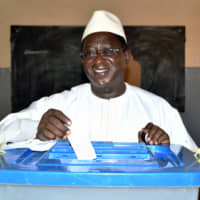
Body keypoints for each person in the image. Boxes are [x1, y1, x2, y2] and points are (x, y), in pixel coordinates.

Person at [0, 10, 198, 152]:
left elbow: (192, 160)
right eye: (90, 53)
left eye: (108, 51)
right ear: (82, 61)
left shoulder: (158, 108)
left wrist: (165, 150)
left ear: (127, 57)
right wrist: (36, 129)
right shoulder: (62, 104)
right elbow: (4, 131)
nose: (98, 60)